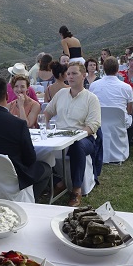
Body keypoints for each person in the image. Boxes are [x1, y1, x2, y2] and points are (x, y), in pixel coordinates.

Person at [43, 62, 101, 207]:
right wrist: (45, 125)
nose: (70, 76)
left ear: (83, 76)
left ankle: (76, 189)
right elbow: (48, 111)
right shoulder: (61, 94)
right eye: (68, 74)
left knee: (77, 146)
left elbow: (93, 125)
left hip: (84, 138)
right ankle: (58, 182)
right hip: (60, 136)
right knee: (40, 148)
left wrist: (77, 135)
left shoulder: (91, 98)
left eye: (74, 73)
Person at [89, 57, 133, 135]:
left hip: (100, 122)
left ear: (104, 69)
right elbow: (129, 111)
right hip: (119, 123)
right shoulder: (126, 87)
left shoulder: (93, 85)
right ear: (117, 69)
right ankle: (128, 140)